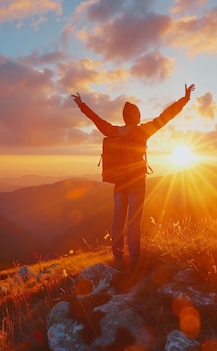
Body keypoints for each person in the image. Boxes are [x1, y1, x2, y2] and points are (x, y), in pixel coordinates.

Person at [71, 84, 195, 270]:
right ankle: (135, 262)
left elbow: (96, 119)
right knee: (134, 222)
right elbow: (166, 116)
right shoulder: (143, 131)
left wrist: (81, 104)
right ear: (137, 117)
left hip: (119, 184)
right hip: (137, 183)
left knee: (117, 222)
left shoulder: (112, 131)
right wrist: (184, 99)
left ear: (124, 117)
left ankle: (119, 260)